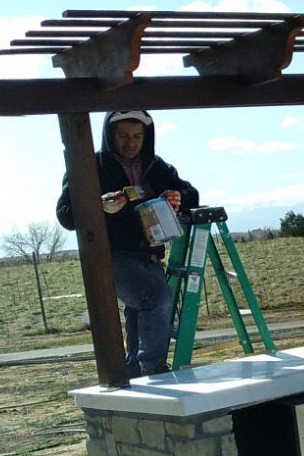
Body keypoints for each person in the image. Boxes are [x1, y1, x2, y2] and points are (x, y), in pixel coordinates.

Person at [56, 110, 198, 377]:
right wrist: (97, 207)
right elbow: (65, 214)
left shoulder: (156, 167)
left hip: (150, 257)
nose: (131, 142)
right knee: (157, 299)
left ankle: (135, 374)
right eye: (123, 135)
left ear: (146, 137)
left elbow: (191, 194)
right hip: (111, 257)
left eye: (137, 136)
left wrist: (178, 197)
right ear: (110, 136)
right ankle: (153, 368)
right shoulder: (90, 166)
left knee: (138, 314)